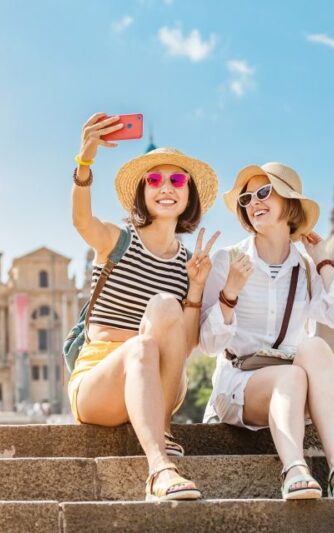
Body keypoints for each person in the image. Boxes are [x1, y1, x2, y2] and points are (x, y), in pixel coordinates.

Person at [68, 113, 220, 501]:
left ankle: (161, 430)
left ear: (189, 195)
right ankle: (159, 469)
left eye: (176, 180)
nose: (165, 187)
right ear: (142, 193)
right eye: (154, 180)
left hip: (160, 382)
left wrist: (197, 288)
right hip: (98, 383)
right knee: (139, 347)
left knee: (167, 309)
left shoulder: (189, 263)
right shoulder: (118, 241)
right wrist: (84, 163)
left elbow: (182, 349)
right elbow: (82, 220)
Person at [200, 162, 334, 500]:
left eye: (264, 192)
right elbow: (207, 344)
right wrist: (230, 292)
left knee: (316, 346)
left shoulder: (305, 268)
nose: (254, 202)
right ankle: (294, 468)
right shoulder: (226, 260)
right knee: (290, 377)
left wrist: (322, 261)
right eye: (247, 198)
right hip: (239, 384)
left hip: (295, 387)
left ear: (289, 203)